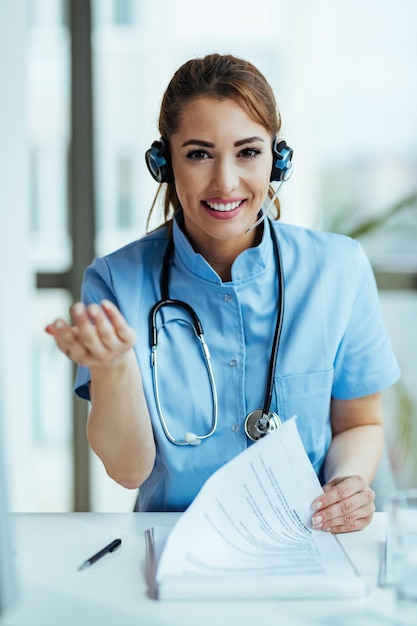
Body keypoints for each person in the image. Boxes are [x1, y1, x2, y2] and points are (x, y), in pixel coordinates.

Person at [45, 53, 400, 532]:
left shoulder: (339, 269)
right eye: (198, 153)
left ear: (278, 158)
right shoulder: (115, 282)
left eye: (248, 152)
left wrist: (348, 482)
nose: (225, 182)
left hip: (305, 543)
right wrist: (111, 369)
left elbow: (360, 422)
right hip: (173, 547)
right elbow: (129, 471)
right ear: (163, 162)